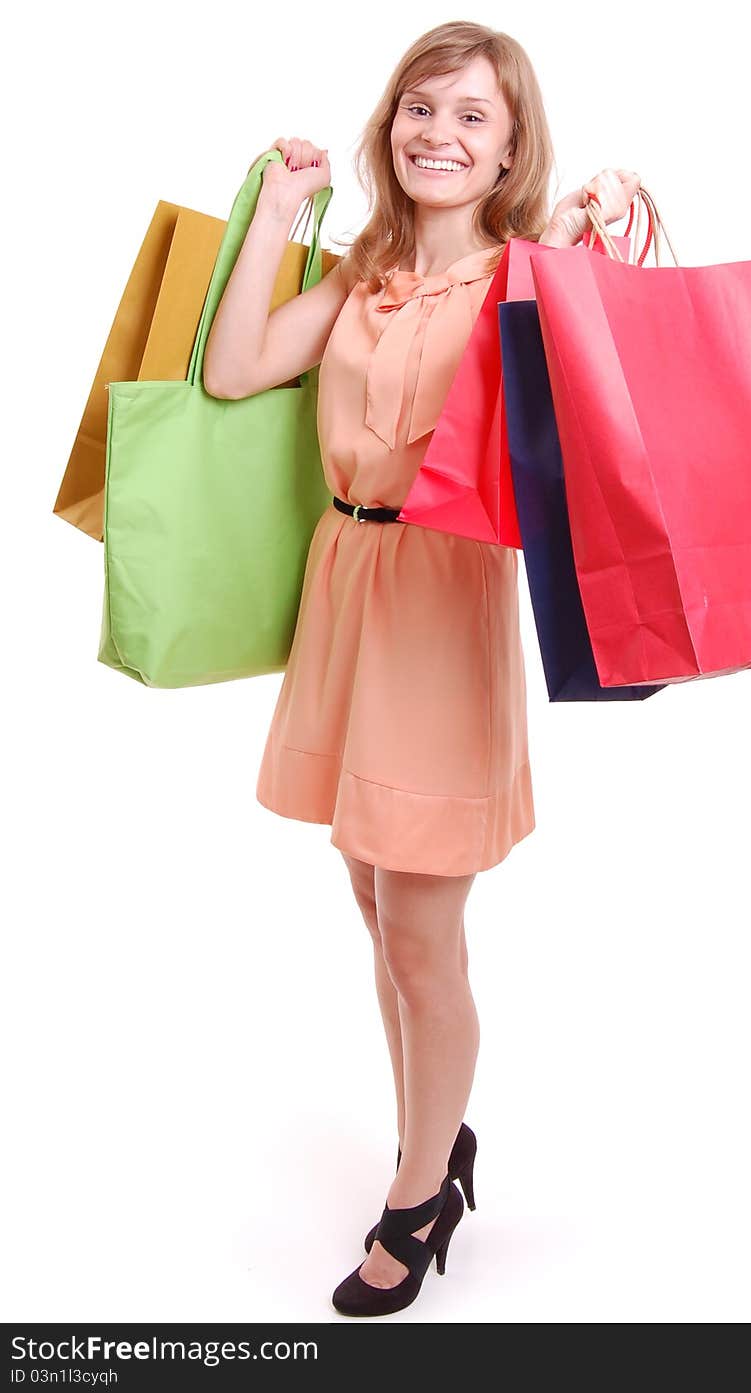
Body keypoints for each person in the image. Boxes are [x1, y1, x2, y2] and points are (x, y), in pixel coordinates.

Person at [204, 20, 639, 1318]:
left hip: (444, 609)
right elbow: (234, 372)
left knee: (424, 932)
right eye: (420, 110)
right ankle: (432, 1137)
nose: (438, 135)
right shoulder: (370, 269)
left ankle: (420, 1192)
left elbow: (599, 398)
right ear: (390, 128)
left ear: (510, 152)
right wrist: (284, 208)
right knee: (373, 906)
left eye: (471, 119)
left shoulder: (525, 273)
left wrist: (604, 242)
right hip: (349, 591)